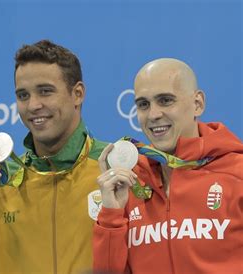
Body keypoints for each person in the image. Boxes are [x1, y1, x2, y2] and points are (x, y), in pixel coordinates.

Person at [0, 40, 108, 274]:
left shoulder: (112, 169)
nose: (33, 105)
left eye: (45, 91)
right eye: (23, 95)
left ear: (77, 94)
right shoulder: (0, 182)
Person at [93, 58, 243, 273]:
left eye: (165, 100)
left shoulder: (237, 172)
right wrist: (111, 216)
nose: (153, 114)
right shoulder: (130, 182)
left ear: (197, 103)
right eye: (143, 104)